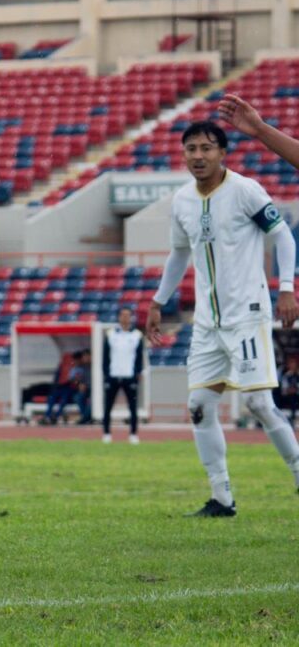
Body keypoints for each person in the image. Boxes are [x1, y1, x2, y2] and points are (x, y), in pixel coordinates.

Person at [146, 120, 299, 518]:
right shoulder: (181, 201)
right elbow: (179, 254)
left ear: (222, 152)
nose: (198, 155)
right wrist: (159, 301)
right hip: (207, 324)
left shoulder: (245, 190)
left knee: (259, 404)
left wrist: (286, 287)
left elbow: (283, 236)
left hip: (247, 315)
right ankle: (222, 499)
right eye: (191, 148)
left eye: (207, 148)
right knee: (199, 405)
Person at [102, 307, 144, 443]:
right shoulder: (111, 334)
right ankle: (106, 433)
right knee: (108, 406)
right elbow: (105, 357)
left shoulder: (137, 335)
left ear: (131, 317)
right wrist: (106, 374)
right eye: (123, 315)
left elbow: (139, 357)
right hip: (113, 375)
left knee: (133, 407)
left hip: (129, 375)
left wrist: (138, 372)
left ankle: (133, 434)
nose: (125, 318)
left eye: (128, 315)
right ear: (119, 317)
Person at [42, 352, 76, 425]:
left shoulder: (73, 367)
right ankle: (47, 416)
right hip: (60, 387)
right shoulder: (61, 367)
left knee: (64, 399)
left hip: (68, 387)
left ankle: (56, 416)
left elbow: (73, 381)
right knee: (51, 398)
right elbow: (56, 379)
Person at [277, 358, 299, 427]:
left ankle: (295, 418)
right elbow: (284, 390)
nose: (292, 366)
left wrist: (295, 390)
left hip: (297, 395)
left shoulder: (298, 375)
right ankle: (291, 419)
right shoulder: (286, 376)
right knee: (291, 398)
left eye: (294, 364)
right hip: (288, 397)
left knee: (295, 397)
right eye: (291, 364)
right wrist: (290, 390)